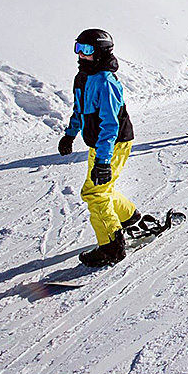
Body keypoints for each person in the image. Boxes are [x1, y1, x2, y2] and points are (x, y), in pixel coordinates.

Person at [59, 28, 144, 267]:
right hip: (99, 143)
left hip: (114, 142)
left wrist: (104, 161)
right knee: (100, 187)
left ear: (100, 52)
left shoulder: (106, 82)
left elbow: (110, 124)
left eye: (86, 50)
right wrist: (70, 134)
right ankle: (128, 215)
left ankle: (111, 247)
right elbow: (79, 110)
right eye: (78, 48)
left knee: (95, 193)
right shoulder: (82, 77)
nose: (80, 55)